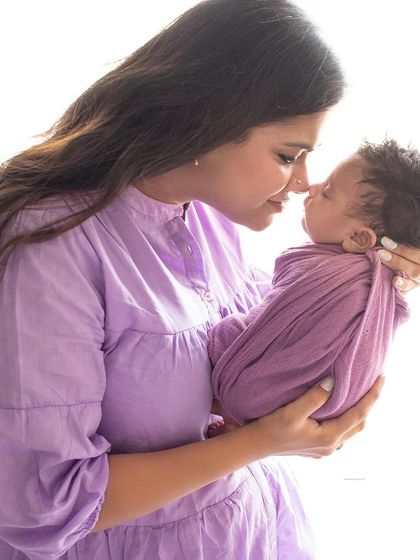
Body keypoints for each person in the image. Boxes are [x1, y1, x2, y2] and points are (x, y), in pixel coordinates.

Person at [0, 1, 419, 559]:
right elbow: (42, 505)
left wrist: (365, 283)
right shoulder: (52, 243)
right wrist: (262, 442)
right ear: (207, 123)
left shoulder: (205, 215)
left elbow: (252, 361)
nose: (303, 182)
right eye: (288, 154)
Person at [209, 139, 418, 427]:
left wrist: (225, 336)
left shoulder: (321, 272)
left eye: (328, 193)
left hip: (262, 396)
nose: (312, 188)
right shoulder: (386, 279)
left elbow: (267, 326)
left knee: (227, 331)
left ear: (359, 239)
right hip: (326, 409)